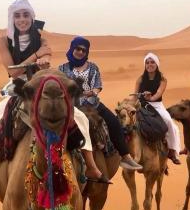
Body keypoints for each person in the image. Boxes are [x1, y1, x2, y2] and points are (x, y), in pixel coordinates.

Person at [0, 0, 53, 204]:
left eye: (25, 15)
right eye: (17, 16)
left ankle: (85, 169)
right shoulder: (4, 40)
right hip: (17, 89)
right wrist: (36, 56)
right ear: (12, 18)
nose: (22, 20)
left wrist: (43, 62)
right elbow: (13, 71)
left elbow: (46, 66)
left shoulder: (42, 37)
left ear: (31, 17)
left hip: (39, 85)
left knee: (77, 118)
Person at [58, 36, 143, 170]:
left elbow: (98, 85)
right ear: (72, 49)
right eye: (77, 49)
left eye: (83, 50)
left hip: (92, 103)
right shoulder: (62, 68)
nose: (80, 52)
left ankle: (125, 157)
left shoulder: (92, 67)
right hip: (72, 105)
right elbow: (59, 87)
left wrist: (92, 92)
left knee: (114, 122)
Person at [134, 53, 181, 164]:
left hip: (156, 105)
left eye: (152, 62)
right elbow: (135, 94)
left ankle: (172, 151)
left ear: (157, 64)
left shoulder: (162, 79)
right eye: (147, 62)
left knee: (169, 122)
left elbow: (158, 94)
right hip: (141, 104)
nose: (150, 65)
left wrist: (150, 97)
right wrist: (139, 98)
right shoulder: (140, 79)